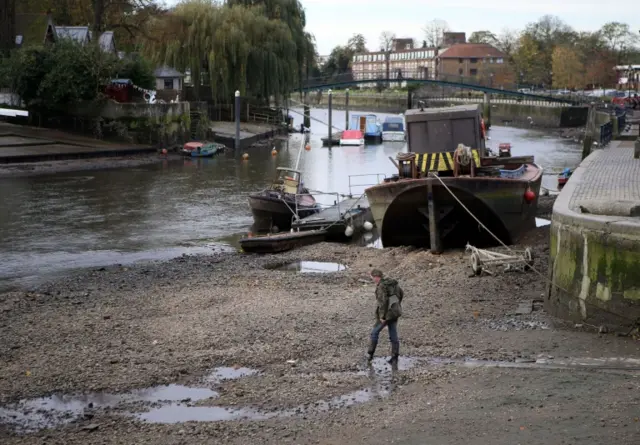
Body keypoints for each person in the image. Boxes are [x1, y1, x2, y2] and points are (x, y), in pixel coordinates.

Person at [367, 269, 404, 366]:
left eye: (372, 278)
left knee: (374, 332)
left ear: (376, 277)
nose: (372, 280)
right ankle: (395, 357)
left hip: (387, 314)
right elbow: (401, 293)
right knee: (393, 334)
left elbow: (382, 302)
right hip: (395, 312)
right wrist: (396, 305)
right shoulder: (392, 283)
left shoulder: (382, 286)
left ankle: (370, 355)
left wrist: (382, 316)